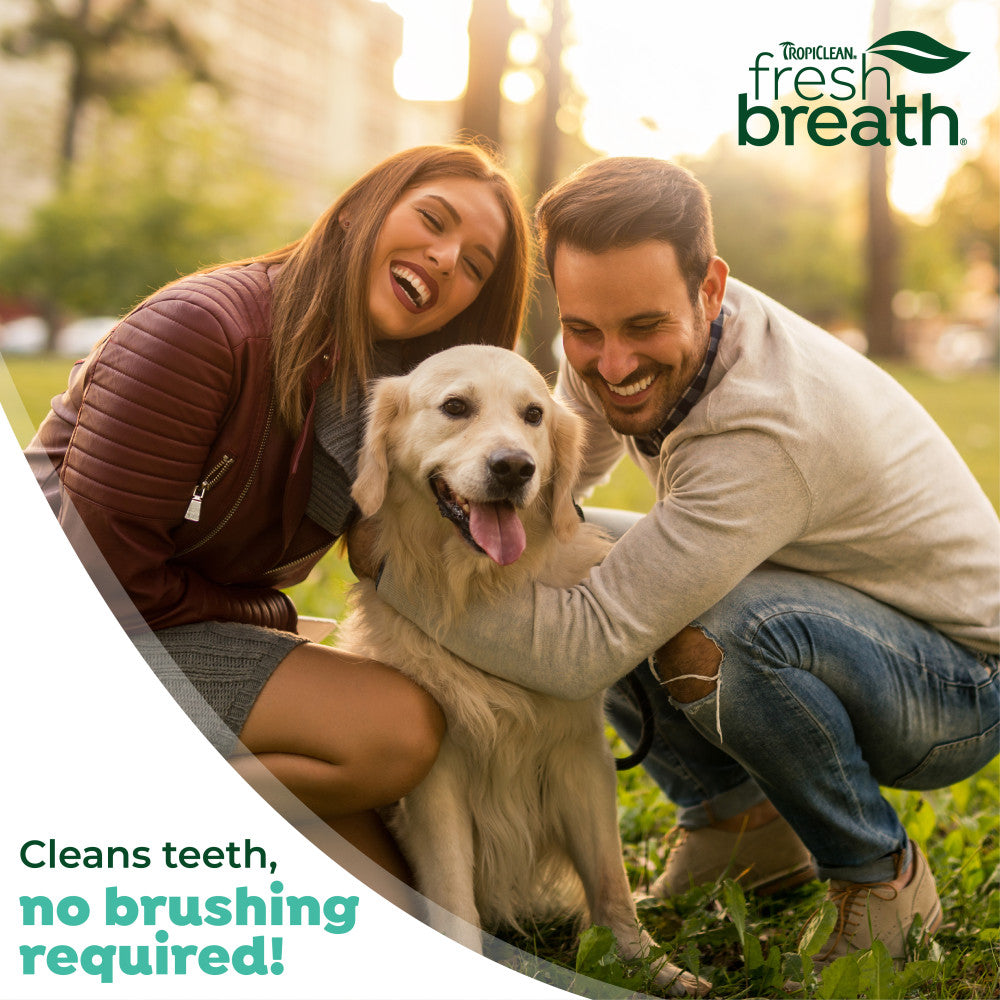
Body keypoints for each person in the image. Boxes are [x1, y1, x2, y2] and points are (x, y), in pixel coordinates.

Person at [362, 156, 1000, 966]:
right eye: (584, 330)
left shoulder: (767, 429)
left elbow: (587, 648)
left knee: (714, 624)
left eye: (643, 327)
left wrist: (389, 571)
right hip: (834, 606)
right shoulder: (617, 335)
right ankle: (739, 826)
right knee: (596, 549)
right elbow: (561, 500)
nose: (612, 364)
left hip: (957, 686)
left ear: (710, 289)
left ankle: (879, 874)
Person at [25, 143, 533, 885]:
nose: (448, 257)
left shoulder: (391, 398)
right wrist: (269, 616)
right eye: (432, 219)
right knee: (395, 732)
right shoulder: (202, 331)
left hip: (178, 632)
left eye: (477, 265)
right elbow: (99, 583)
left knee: (395, 897)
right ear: (357, 211)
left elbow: (402, 562)